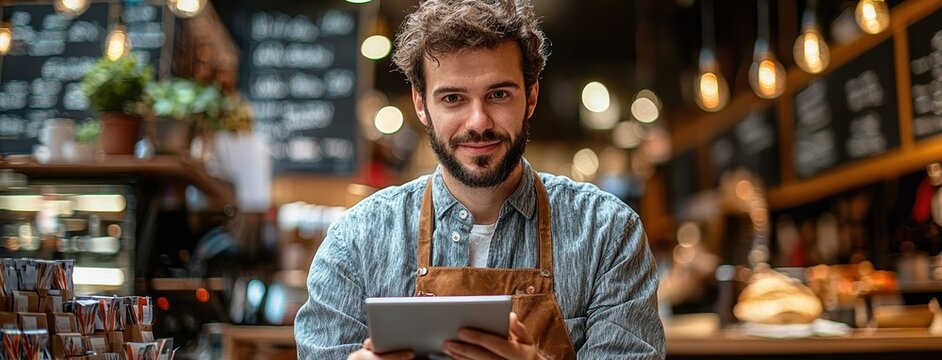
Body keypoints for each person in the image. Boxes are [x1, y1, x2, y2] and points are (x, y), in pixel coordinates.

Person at [294, 0, 665, 358]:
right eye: (453, 98)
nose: (478, 122)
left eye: (499, 94)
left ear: (531, 96)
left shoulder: (608, 234)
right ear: (421, 103)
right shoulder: (356, 241)